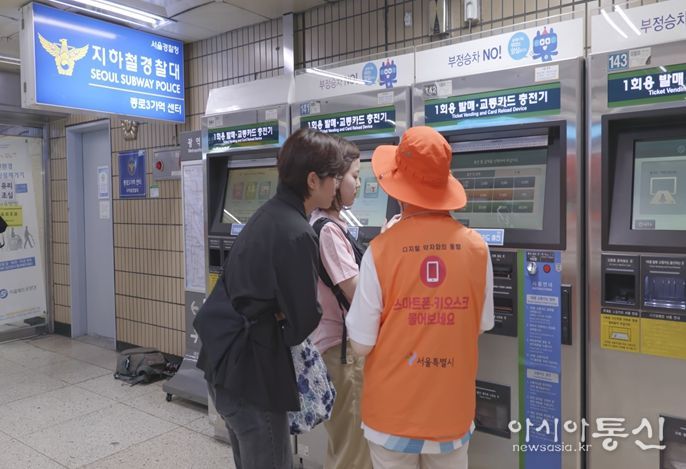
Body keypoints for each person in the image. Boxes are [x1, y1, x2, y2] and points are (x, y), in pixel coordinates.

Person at [345, 126, 495, 469]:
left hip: (391, 416)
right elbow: (481, 323)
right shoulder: (477, 248)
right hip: (450, 413)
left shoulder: (380, 250)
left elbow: (361, 344)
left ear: (399, 190)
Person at [196, 127, 346, 469]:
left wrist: (280, 313)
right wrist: (287, 315)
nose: (336, 186)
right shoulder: (298, 232)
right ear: (313, 180)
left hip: (223, 364)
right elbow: (302, 323)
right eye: (334, 177)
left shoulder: (266, 215)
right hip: (253, 378)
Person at [309, 137, 372, 469]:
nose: (358, 184)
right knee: (352, 450)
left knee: (346, 443)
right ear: (334, 181)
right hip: (341, 352)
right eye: (354, 176)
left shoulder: (331, 224)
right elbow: (358, 294)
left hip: (336, 347)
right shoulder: (328, 232)